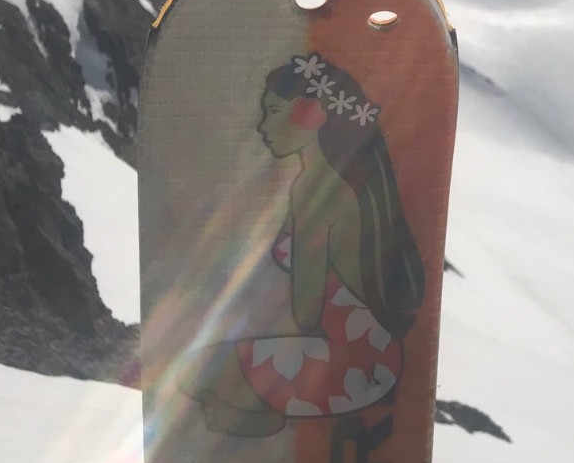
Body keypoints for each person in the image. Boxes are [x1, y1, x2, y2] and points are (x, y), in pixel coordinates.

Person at [179, 53, 424, 436]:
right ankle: (261, 411)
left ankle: (263, 416)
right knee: (210, 376)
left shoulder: (316, 194)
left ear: (311, 115)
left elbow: (306, 313)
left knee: (196, 375)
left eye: (273, 112)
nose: (262, 126)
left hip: (350, 366)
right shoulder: (345, 185)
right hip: (370, 359)